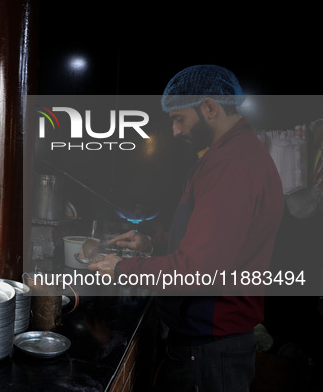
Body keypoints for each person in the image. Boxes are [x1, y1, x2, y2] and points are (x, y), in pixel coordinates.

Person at [88, 65, 284, 391]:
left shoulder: (231, 165)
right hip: (210, 345)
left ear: (209, 107)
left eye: (180, 119)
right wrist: (152, 242)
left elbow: (196, 270)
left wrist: (121, 267)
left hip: (209, 350)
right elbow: (211, 243)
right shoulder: (230, 155)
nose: (176, 131)